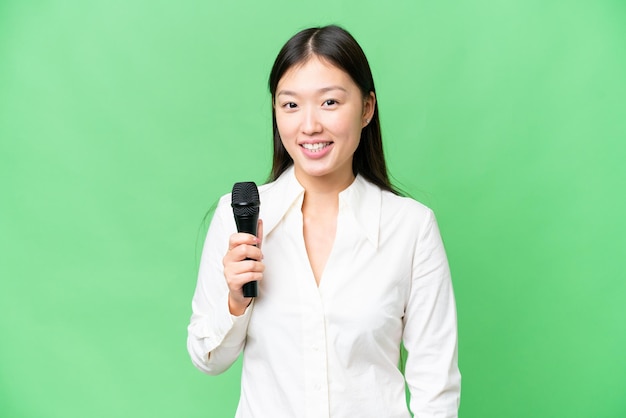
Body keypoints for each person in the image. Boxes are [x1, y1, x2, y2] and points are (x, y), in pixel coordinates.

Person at [187, 25, 461, 418]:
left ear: (367, 108)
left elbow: (436, 384)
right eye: (291, 105)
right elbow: (207, 359)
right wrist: (234, 301)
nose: (309, 126)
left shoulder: (411, 228)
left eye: (330, 102)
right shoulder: (240, 217)